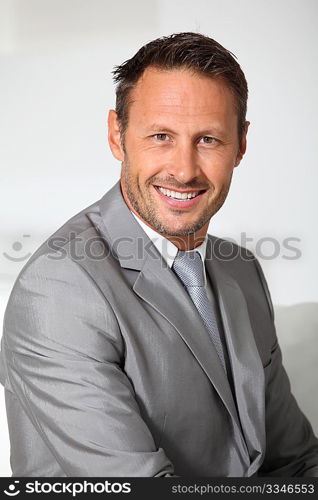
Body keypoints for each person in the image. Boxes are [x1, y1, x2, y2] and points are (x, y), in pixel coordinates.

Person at [1, 32, 318, 477]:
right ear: (117, 135)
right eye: (161, 136)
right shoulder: (60, 289)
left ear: (241, 145)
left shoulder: (241, 270)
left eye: (208, 139)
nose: (184, 170)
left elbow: (297, 460)